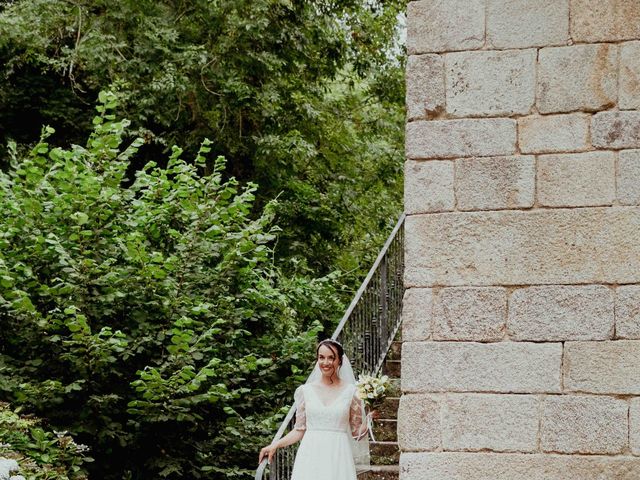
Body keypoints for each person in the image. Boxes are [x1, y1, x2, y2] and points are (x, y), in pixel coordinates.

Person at [258, 339, 375, 479]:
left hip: (338, 455)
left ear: (340, 361)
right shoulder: (305, 391)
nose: (326, 363)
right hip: (310, 455)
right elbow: (299, 430)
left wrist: (370, 418)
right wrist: (275, 445)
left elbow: (356, 433)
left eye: (331, 358)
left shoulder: (352, 392)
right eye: (321, 357)